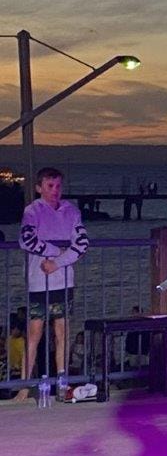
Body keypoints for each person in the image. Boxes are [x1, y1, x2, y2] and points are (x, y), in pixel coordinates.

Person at [16, 167, 89, 402]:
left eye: (58, 186)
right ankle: (24, 388)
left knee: (62, 333)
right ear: (39, 188)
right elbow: (27, 240)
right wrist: (58, 251)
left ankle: (62, 383)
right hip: (39, 283)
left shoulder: (71, 211)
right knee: (34, 334)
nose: (55, 190)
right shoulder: (33, 210)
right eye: (50, 186)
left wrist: (56, 262)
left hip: (63, 280)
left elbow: (82, 244)